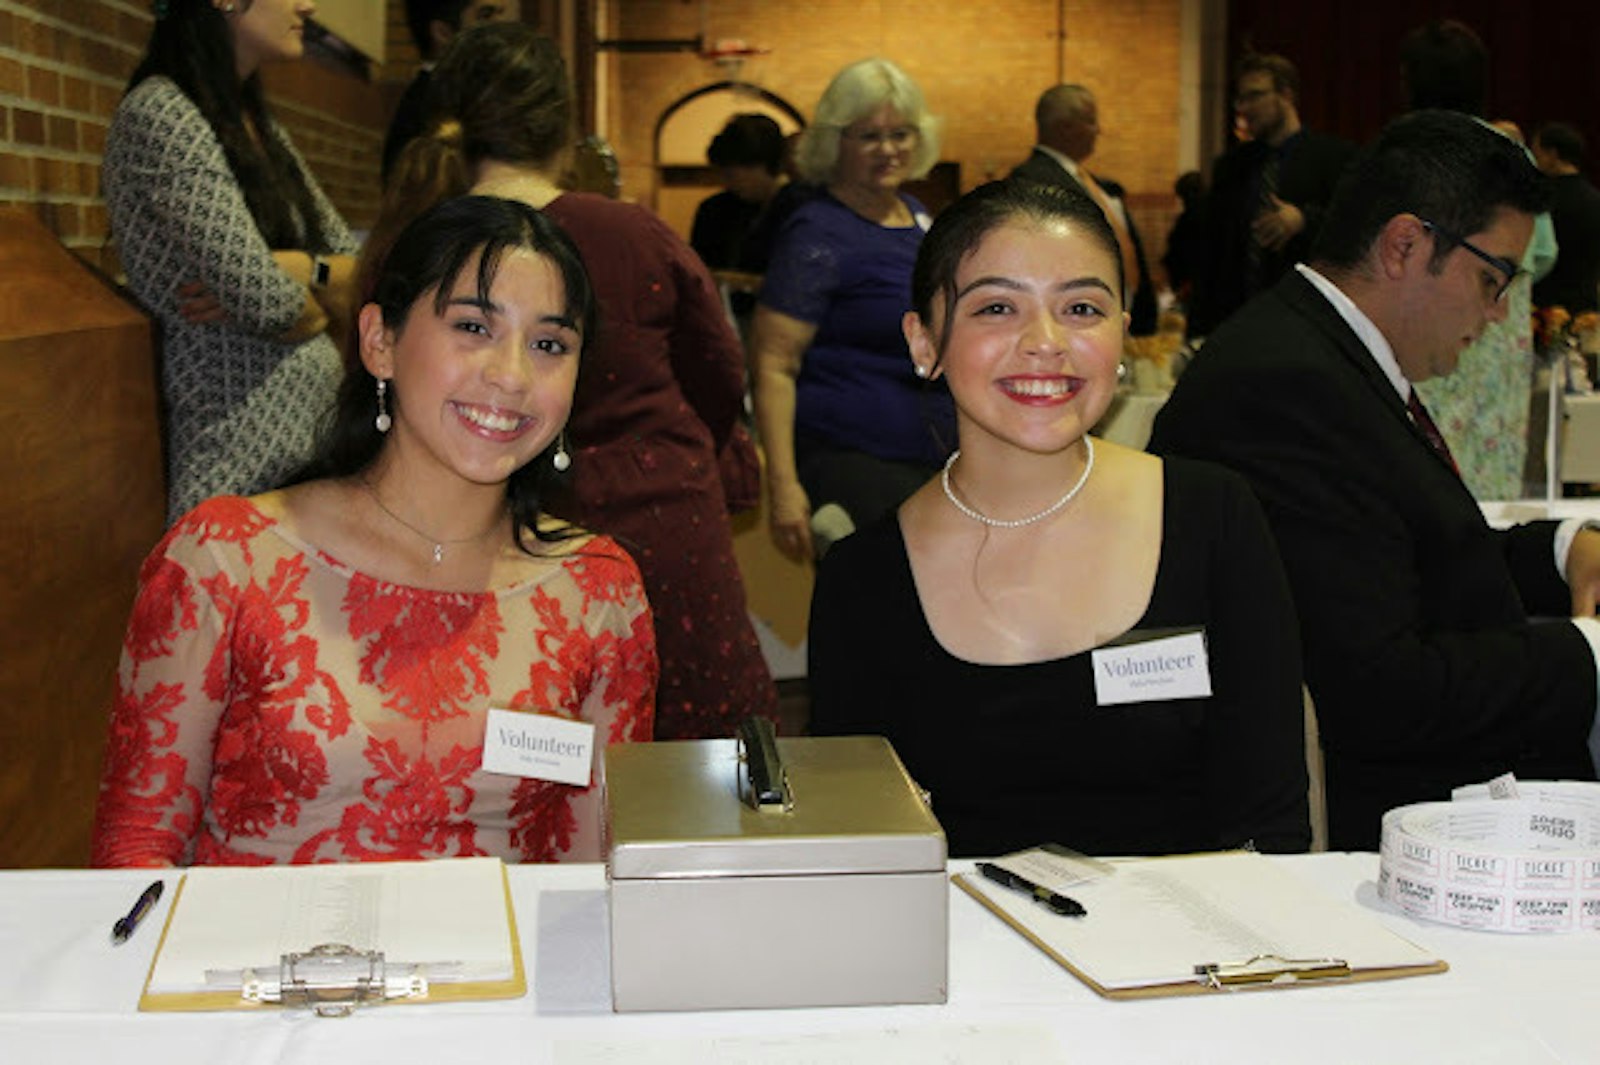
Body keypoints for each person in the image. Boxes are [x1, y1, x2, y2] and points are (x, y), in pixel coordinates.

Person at [91, 195, 658, 867]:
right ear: (379, 342)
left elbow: (598, 871)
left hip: (504, 971)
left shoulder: (597, 595)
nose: (510, 375)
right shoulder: (227, 561)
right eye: (473, 327)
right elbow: (136, 853)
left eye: (548, 344)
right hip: (254, 967)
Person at [807, 180, 1310, 859]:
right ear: (924, 341)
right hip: (969, 959)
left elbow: (1270, 823)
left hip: (1187, 952)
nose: (1046, 342)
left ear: (1123, 335)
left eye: (1081, 307)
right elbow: (859, 859)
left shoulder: (1212, 517)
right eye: (996, 307)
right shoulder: (862, 581)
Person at [1149, 110, 1600, 852]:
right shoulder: (1284, 385)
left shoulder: (1323, 351)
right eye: (1492, 280)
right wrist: (1587, 653)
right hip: (1406, 828)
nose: (1495, 314)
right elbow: (1379, 688)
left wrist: (1564, 548)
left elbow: (1409, 549)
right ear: (1405, 245)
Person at [378, 23, 775, 739]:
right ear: (566, 131)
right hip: (657, 511)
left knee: (530, 742)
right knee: (694, 756)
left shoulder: (426, 236)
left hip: (494, 519)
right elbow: (719, 371)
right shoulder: (629, 232)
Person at [104, 0, 360, 522]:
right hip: (236, 473)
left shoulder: (259, 126)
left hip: (303, 468)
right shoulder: (162, 115)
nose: (308, 5)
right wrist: (318, 306)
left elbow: (361, 267)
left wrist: (306, 271)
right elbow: (269, 304)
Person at [752, 58, 954, 563]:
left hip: (931, 459)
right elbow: (774, 365)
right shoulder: (817, 234)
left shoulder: (918, 216)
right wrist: (784, 487)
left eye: (901, 133)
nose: (889, 150)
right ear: (834, 143)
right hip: (853, 462)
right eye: (868, 136)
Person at [1187, 53, 1355, 338]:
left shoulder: (1334, 158)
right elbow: (1211, 252)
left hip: (1309, 324)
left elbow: (1355, 230)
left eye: (1254, 96)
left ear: (1286, 94)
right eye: (1240, 99)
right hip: (1237, 322)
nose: (1244, 108)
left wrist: (1304, 220)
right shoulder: (1231, 167)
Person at [1009, 84, 1157, 336]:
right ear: (1065, 126)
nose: (1099, 130)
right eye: (1091, 121)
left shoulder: (1091, 181)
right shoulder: (1032, 181)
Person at [382, 0, 519, 185]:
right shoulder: (430, 108)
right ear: (443, 33)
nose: (500, 30)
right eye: (485, 15)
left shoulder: (460, 95)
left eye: (499, 14)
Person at [690, 113, 788, 272]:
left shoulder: (796, 210)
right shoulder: (714, 210)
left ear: (760, 167)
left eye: (731, 175)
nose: (727, 183)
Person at [1532, 122, 1600, 315]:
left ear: (1552, 155)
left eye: (1537, 154)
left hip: (1543, 307)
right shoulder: (1595, 198)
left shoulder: (1538, 198)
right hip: (1585, 306)